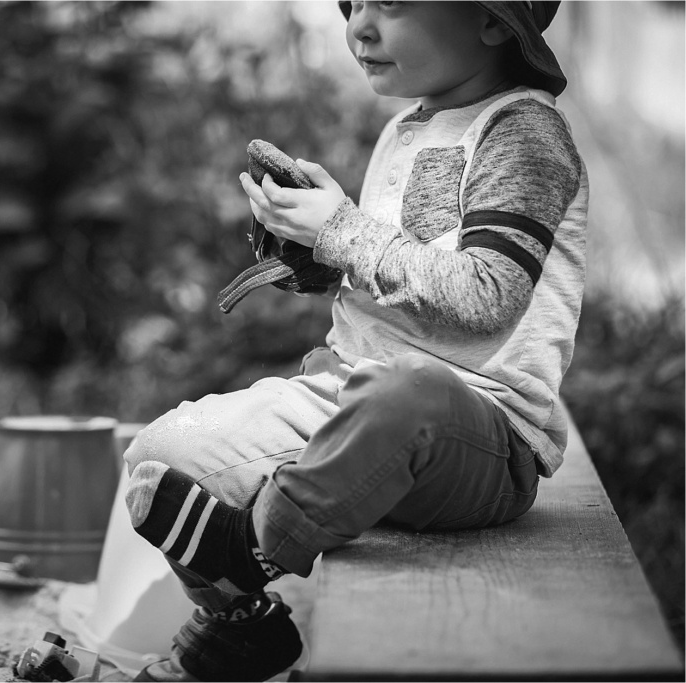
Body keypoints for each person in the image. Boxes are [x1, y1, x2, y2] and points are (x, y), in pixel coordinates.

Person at [122, 2, 588, 681]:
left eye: (391, 4)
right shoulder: (405, 128)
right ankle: (239, 624)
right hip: (353, 394)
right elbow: (394, 273)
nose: (359, 27)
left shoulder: (523, 131)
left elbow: (489, 296)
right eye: (354, 3)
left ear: (492, 21)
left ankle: (251, 549)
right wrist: (310, 247)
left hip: (475, 433)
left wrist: (343, 229)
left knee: (405, 388)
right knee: (158, 455)